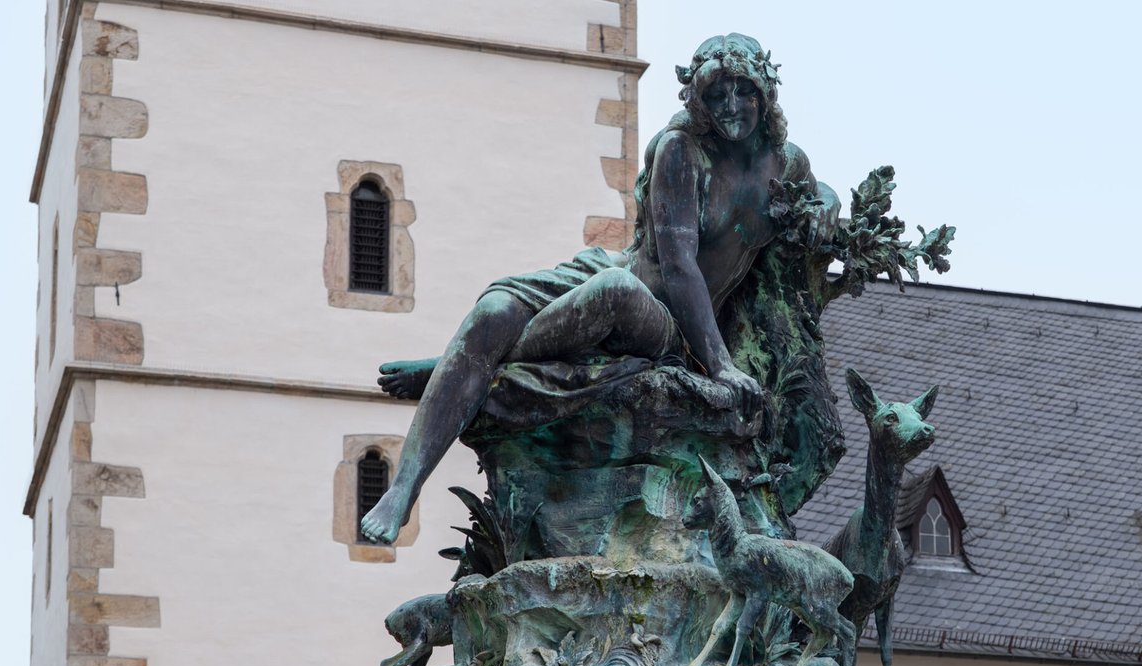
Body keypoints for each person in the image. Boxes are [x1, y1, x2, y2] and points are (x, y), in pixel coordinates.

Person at [358, 33, 838, 544]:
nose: (731, 106)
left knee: (611, 291)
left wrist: (827, 206)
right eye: (716, 94)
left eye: (743, 92)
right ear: (698, 101)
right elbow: (677, 262)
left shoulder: (784, 164)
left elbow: (819, 194)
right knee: (492, 310)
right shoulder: (681, 150)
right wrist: (723, 367)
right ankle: (402, 490)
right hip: (622, 271)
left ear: (765, 94)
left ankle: (461, 365)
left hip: (666, 323)